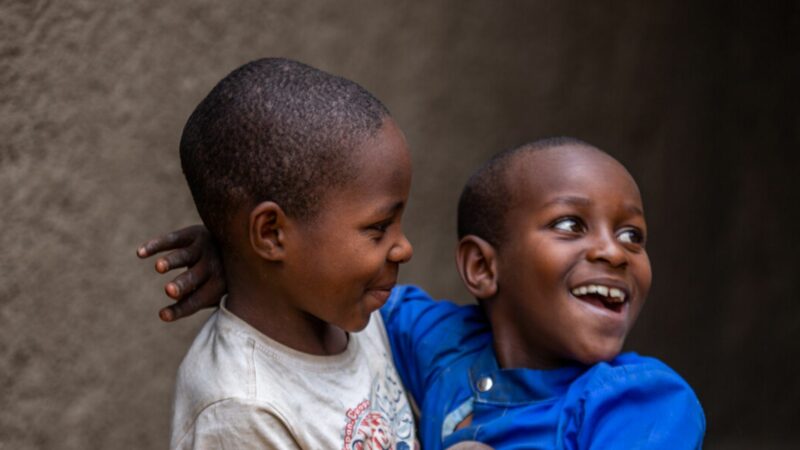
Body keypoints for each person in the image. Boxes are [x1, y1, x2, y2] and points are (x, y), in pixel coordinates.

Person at [141, 138, 706, 448]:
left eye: (633, 234)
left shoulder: (640, 401)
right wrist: (249, 260)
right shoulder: (440, 342)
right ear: (482, 267)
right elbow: (334, 282)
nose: (616, 251)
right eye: (570, 225)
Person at [155, 57, 417, 449]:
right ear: (271, 233)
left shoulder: (351, 310)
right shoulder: (241, 408)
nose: (404, 247)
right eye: (378, 228)